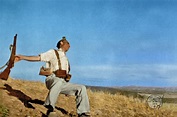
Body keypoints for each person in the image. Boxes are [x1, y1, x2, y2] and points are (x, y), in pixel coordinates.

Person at [15, 37, 90, 117]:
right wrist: (22, 57)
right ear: (61, 43)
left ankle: (83, 113)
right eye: (68, 43)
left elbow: (65, 75)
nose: (69, 46)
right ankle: (50, 107)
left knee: (82, 88)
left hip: (62, 82)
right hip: (52, 79)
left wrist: (68, 89)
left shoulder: (66, 59)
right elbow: (38, 58)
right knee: (58, 81)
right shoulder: (53, 52)